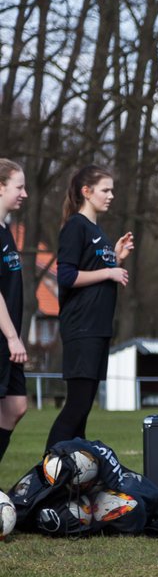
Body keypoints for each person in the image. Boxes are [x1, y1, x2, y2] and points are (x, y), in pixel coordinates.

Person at [46, 165, 132, 449]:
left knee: (83, 410)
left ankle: (70, 480)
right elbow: (67, 276)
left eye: (112, 190)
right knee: (76, 406)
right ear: (86, 191)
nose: (111, 195)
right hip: (81, 327)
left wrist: (115, 259)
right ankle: (46, 478)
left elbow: (94, 274)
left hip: (98, 328)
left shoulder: (97, 231)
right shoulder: (75, 226)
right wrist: (109, 272)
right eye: (105, 190)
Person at [0, 160, 30, 468]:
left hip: (9, 336)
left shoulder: (6, 230)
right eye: (19, 187)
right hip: (4, 337)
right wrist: (12, 337)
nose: (25, 194)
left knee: (16, 406)